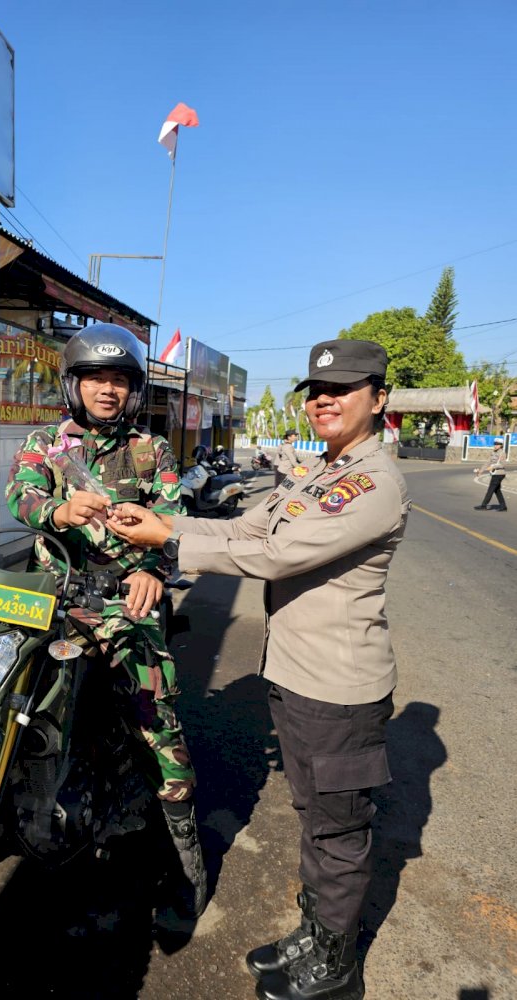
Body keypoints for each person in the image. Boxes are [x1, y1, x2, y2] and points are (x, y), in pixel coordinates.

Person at [107, 338, 411, 1000]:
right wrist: (165, 520)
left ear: (379, 399)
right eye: (318, 392)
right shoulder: (321, 474)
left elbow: (274, 555)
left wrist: (171, 541)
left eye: (345, 388)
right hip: (300, 680)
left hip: (339, 690)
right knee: (314, 816)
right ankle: (318, 928)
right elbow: (249, 529)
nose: (325, 400)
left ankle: (337, 964)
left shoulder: (372, 483)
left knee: (338, 831)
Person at [4, 323, 206, 918]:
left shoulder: (152, 449)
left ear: (133, 389)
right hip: (55, 596)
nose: (107, 390)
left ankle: (182, 852)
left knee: (154, 712)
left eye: (118, 379)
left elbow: (173, 519)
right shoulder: (46, 443)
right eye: (95, 378)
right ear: (75, 385)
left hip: (125, 599)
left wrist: (154, 571)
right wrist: (58, 509)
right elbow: (20, 496)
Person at [474, 437, 508, 511]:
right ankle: (503, 506)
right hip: (495, 474)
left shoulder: (502, 453)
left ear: (501, 445)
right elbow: (487, 462)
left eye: (497, 444)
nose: (495, 445)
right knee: (497, 490)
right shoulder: (493, 452)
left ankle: (483, 505)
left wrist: (493, 467)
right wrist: (481, 471)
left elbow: (503, 465)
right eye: (495, 444)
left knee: (490, 489)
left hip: (499, 474)